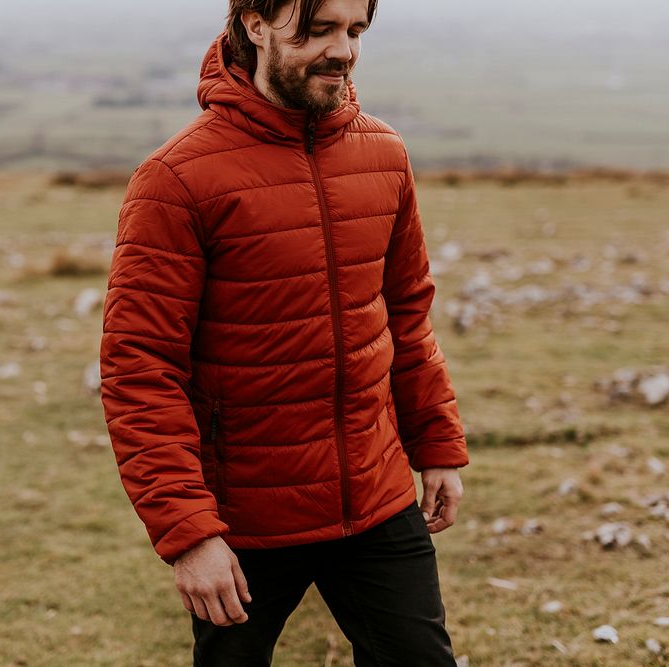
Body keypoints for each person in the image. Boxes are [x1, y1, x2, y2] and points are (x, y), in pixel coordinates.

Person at [99, 0, 469, 664]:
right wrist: (189, 533)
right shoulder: (177, 180)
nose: (344, 50)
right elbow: (141, 369)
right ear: (255, 23)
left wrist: (436, 442)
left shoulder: (383, 154)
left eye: (355, 30)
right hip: (245, 521)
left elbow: (408, 316)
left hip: (377, 498)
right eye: (318, 29)